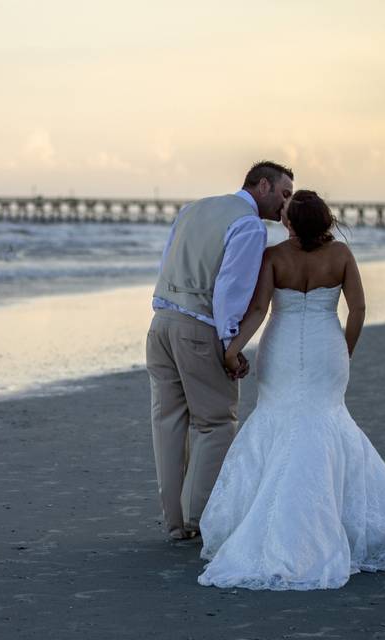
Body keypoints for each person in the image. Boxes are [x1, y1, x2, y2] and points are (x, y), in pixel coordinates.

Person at [197, 190, 385, 590]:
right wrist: (346, 349)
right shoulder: (341, 255)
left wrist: (232, 349)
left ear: (290, 223)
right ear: (325, 220)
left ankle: (269, 524)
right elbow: (358, 309)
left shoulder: (274, 257)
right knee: (327, 422)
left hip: (283, 348)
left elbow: (258, 312)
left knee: (278, 417)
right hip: (328, 346)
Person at [146, 161, 294, 541]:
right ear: (263, 186)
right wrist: (232, 345)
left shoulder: (193, 208)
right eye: (284, 194)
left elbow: (166, 262)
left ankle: (174, 523)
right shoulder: (248, 225)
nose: (286, 205)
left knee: (168, 422)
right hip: (200, 327)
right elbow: (231, 288)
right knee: (215, 423)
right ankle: (197, 518)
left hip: (160, 323)